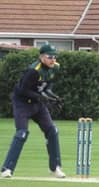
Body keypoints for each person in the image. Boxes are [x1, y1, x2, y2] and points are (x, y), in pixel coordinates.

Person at [1, 44, 66, 178]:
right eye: (50, 57)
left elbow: (47, 88)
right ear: (41, 57)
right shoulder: (33, 70)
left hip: (37, 103)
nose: (53, 60)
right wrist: (41, 97)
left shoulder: (55, 68)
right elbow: (24, 90)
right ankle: (7, 169)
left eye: (54, 57)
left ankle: (55, 168)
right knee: (22, 133)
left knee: (52, 130)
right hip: (22, 104)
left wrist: (54, 98)